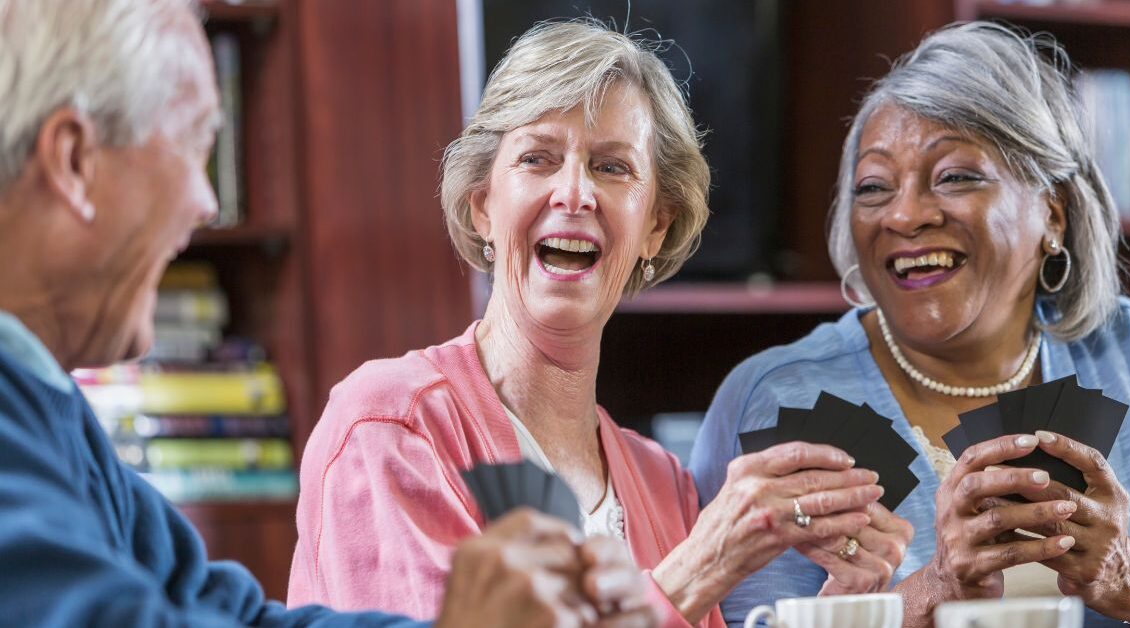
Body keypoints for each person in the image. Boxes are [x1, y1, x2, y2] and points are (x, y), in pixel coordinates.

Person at [0, 1, 649, 626]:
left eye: (612, 167)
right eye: (190, 151)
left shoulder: (44, 406)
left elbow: (232, 616)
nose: (205, 202)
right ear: (75, 161)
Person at [287, 18, 908, 628]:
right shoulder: (392, 426)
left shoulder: (659, 479)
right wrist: (695, 571)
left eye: (612, 167)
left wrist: (844, 610)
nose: (575, 193)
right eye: (538, 158)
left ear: (654, 228)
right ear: (482, 208)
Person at [690, 20, 1130, 628]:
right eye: (874, 187)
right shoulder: (779, 397)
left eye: (955, 176)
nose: (905, 215)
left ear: (1052, 214)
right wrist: (931, 593)